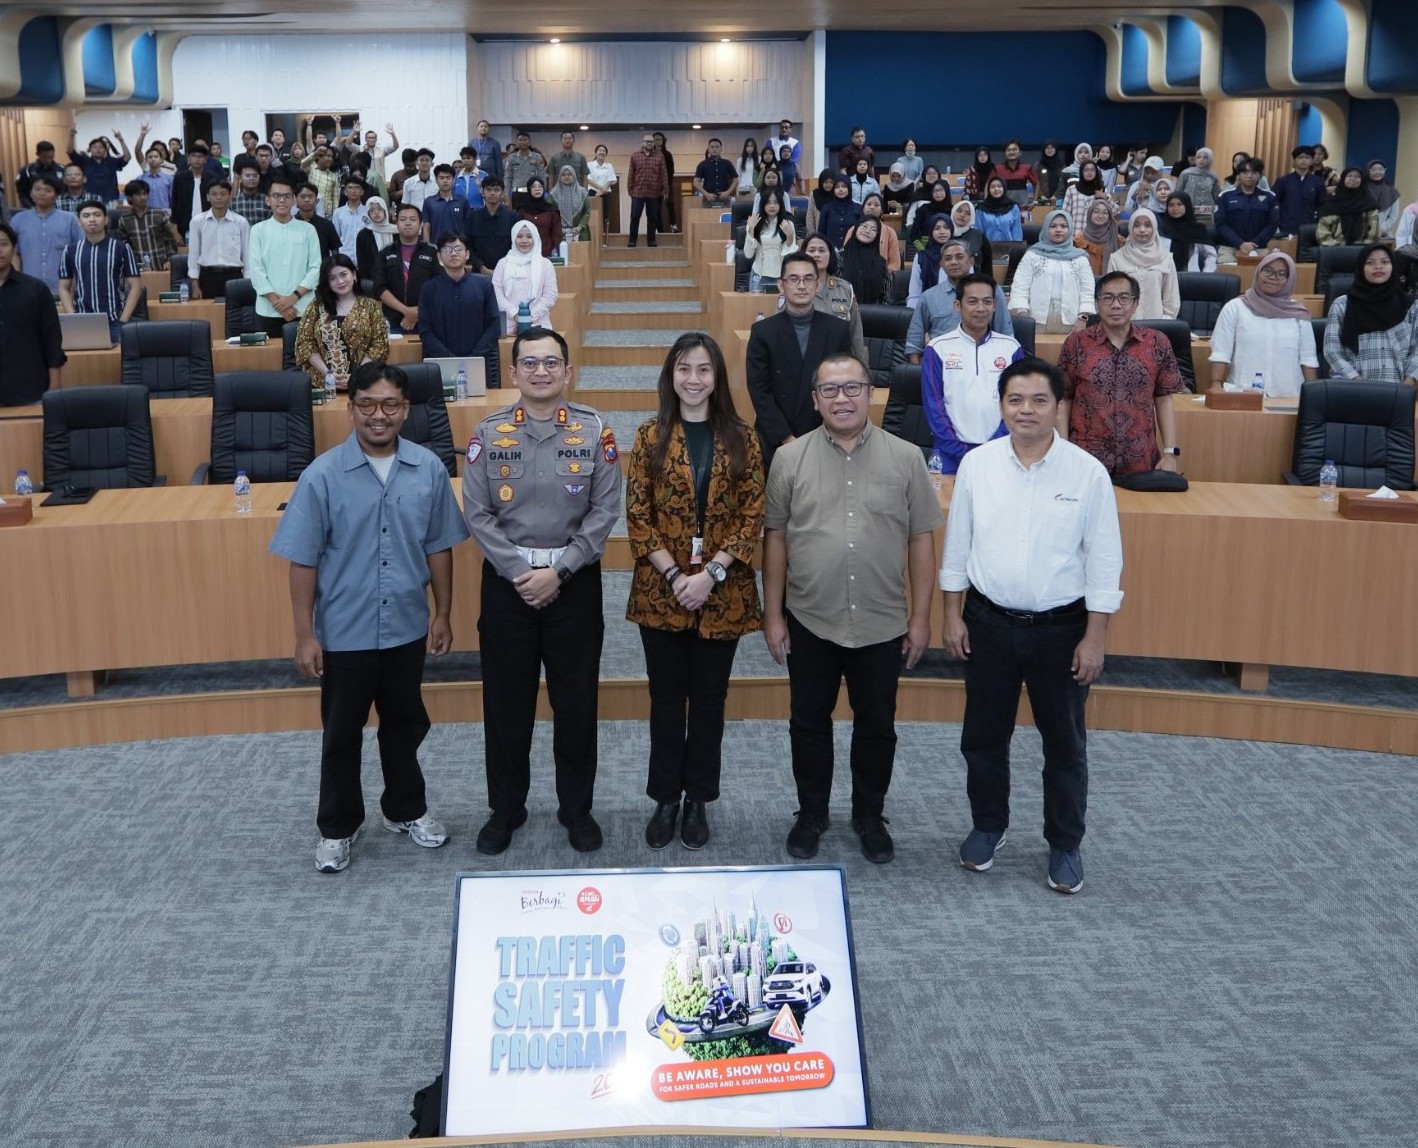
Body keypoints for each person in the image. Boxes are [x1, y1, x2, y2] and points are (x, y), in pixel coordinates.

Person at [268, 360, 466, 874]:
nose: (379, 416)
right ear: (350, 406)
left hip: (404, 624)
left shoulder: (427, 469)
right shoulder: (322, 476)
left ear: (405, 409)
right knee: (341, 734)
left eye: (390, 405)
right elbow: (303, 559)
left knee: (405, 725)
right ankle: (337, 826)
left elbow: (440, 548)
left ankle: (406, 809)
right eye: (367, 404)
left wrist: (442, 613)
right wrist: (304, 634)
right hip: (345, 630)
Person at [940, 357, 1123, 895]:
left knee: (1064, 746)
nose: (1026, 410)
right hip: (988, 623)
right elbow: (958, 548)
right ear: (1002, 406)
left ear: (1059, 407)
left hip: (1061, 631)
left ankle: (1065, 843)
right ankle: (988, 826)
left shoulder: (1087, 473)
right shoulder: (977, 465)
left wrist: (1096, 635)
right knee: (982, 738)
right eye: (1016, 400)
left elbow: (1104, 562)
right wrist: (952, 614)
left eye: (1039, 400)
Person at [763, 353, 943, 864]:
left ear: (870, 394)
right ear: (815, 400)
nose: (842, 399)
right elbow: (775, 538)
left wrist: (921, 616)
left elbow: (921, 541)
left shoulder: (906, 458)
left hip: (883, 621)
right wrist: (772, 614)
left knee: (877, 725)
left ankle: (869, 814)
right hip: (810, 617)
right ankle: (811, 813)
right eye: (830, 391)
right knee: (808, 722)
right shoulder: (789, 459)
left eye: (852, 388)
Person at [461, 327, 621, 854]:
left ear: (568, 372)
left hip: (573, 585)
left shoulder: (595, 431)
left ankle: (577, 810)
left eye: (551, 363)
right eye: (529, 363)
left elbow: (603, 511)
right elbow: (478, 513)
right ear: (513, 373)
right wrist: (519, 571)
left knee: (576, 705)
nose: (541, 372)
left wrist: (562, 569)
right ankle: (505, 809)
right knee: (506, 706)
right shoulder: (488, 433)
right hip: (509, 587)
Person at [625, 333, 765, 850]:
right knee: (665, 700)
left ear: (717, 378)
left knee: (709, 702)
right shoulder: (648, 435)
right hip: (661, 594)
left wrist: (712, 575)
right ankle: (665, 797)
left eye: (703, 370)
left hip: (722, 594)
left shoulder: (742, 437)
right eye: (684, 369)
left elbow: (753, 516)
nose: (693, 379)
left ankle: (698, 799)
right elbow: (638, 517)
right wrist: (676, 577)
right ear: (671, 376)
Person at [1058, 271, 1185, 478]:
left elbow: (1164, 399)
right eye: (1107, 298)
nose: (1116, 305)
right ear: (1097, 304)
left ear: (1135, 304)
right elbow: (1064, 398)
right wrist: (1062, 450)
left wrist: (1170, 453)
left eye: (1124, 298)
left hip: (1140, 460)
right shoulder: (1077, 343)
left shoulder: (1157, 343)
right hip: (1085, 460)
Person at [745, 250, 856, 472]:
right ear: (781, 285)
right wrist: (787, 439)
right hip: (776, 438)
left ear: (817, 285)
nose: (801, 285)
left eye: (808, 279)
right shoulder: (763, 332)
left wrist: (828, 433)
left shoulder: (838, 330)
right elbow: (759, 391)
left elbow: (843, 385)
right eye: (793, 279)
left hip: (826, 437)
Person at [920, 272, 1027, 470]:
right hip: (950, 453)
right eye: (972, 301)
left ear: (995, 305)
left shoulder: (1011, 348)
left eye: (987, 302)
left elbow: (1018, 402)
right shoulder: (937, 348)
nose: (980, 309)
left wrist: (994, 447)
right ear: (957, 306)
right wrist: (959, 451)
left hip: (1002, 450)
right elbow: (934, 405)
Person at [1208, 250, 1318, 396]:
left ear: (1289, 279)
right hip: (1243, 394)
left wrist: (1313, 396)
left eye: (1281, 273)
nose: (1273, 277)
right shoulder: (1235, 308)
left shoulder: (1298, 314)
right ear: (1258, 272)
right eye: (1268, 271)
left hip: (1289, 396)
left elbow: (1308, 359)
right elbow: (1221, 352)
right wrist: (1216, 384)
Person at [1323, 244, 1418, 386]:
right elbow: (1332, 351)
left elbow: (1416, 350)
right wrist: (1357, 382)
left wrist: (1408, 384)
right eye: (1370, 262)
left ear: (1393, 267)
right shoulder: (1342, 305)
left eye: (1385, 262)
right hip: (1351, 389)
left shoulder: (1411, 306)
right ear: (1361, 268)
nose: (1378, 267)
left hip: (1399, 391)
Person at [905, 240, 1014, 360]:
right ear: (941, 264)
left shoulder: (992, 291)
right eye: (948, 259)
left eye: (959, 257)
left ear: (971, 261)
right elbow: (914, 341)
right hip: (941, 363)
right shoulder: (929, 296)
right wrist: (916, 373)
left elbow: (1006, 336)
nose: (953, 262)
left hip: (984, 361)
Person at [295, 255, 390, 392]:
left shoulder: (371, 306)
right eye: (332, 278)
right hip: (323, 385)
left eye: (343, 274)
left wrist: (356, 376)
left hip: (363, 384)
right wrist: (328, 374)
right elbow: (305, 343)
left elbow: (379, 345)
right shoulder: (316, 306)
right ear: (326, 282)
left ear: (354, 274)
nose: (340, 281)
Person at [418, 232, 501, 380]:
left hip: (479, 363)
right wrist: (448, 358)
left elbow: (493, 326)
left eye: (458, 249)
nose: (453, 254)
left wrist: (474, 356)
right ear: (439, 256)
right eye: (448, 250)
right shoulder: (429, 289)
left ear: (467, 254)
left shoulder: (484, 286)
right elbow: (425, 330)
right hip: (440, 364)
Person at [0, 222, 65, 406]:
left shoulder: (35, 290)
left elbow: (51, 341)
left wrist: (55, 386)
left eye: (3, 244)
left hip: (31, 391)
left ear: (14, 249)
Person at [248, 178, 322, 338]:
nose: (281, 200)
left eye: (287, 196)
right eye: (276, 196)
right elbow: (256, 270)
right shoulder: (257, 230)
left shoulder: (308, 230)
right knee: (269, 360)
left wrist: (293, 298)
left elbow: (316, 268)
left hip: (302, 307)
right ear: (268, 200)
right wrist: (278, 303)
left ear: (294, 200)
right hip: (268, 309)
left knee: (305, 359)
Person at [58, 201, 140, 345]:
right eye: (86, 215)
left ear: (106, 219)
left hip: (115, 319)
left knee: (119, 364)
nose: (91, 219)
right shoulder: (70, 250)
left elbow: (135, 286)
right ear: (79, 221)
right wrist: (72, 316)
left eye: (97, 215)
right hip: (82, 320)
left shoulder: (121, 248)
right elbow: (64, 287)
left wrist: (123, 320)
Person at [1009, 209, 1096, 333]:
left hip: (1071, 317)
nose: (1058, 229)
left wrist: (1083, 317)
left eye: (1063, 226)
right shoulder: (1032, 255)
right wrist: (1023, 314)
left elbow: (1087, 289)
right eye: (1053, 226)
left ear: (1070, 229)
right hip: (1035, 316)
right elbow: (1020, 285)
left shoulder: (1080, 257)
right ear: (1045, 229)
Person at [801, 231, 868, 366]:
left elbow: (856, 336)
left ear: (830, 256)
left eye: (822, 250)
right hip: (803, 364)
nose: (816, 254)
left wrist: (863, 372)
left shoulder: (845, 289)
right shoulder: (792, 289)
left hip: (839, 365)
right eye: (811, 250)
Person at [370, 202, 439, 332]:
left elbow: (439, 285)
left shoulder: (432, 252)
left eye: (413, 219)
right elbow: (379, 287)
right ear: (397, 224)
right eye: (403, 219)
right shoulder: (385, 252)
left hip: (427, 318)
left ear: (420, 224)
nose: (407, 223)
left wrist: (418, 313)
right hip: (393, 320)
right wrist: (406, 311)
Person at [10, 175, 83, 293]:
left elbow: (79, 253)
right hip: (27, 287)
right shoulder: (18, 220)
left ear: (57, 195)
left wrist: (74, 281)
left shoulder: (70, 220)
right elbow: (14, 254)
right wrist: (16, 280)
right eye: (37, 189)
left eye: (48, 190)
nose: (42, 193)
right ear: (31, 193)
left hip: (62, 288)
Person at [1106, 207, 1180, 320]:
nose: (1142, 230)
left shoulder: (1166, 258)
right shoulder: (1116, 258)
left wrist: (1167, 320)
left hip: (1157, 323)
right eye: (1136, 225)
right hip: (1124, 324)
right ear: (1130, 228)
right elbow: (1110, 295)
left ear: (1154, 228)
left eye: (1147, 225)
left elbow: (1171, 295)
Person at [185, 180, 249, 300]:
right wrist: (194, 285)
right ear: (208, 197)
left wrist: (247, 282)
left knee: (234, 315)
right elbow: (193, 254)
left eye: (223, 194)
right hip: (207, 277)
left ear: (230, 196)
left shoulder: (241, 222)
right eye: (214, 194)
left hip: (234, 276)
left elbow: (247, 255)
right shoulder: (197, 221)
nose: (218, 197)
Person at [493, 220, 559, 334]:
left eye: (529, 236)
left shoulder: (545, 264)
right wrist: (515, 315)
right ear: (513, 238)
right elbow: (497, 295)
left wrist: (529, 317)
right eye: (519, 236)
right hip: (508, 326)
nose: (524, 241)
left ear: (535, 238)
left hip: (539, 324)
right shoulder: (502, 264)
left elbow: (550, 295)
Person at [1214, 158, 1279, 264]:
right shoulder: (1225, 196)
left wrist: (1253, 243)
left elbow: (1272, 224)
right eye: (1245, 172)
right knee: (1227, 278)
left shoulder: (1270, 197)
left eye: (1254, 172)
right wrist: (1241, 244)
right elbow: (1220, 224)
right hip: (1229, 249)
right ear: (1238, 175)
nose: (1249, 176)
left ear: (1260, 175)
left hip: (1259, 248)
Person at [116, 179, 181, 272]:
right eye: (138, 194)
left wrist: (170, 260)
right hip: (138, 269)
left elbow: (171, 242)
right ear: (129, 198)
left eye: (145, 194)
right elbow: (124, 246)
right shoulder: (124, 219)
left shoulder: (160, 214)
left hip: (162, 266)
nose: (143, 197)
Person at [743, 187, 798, 294]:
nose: (772, 206)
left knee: (781, 307)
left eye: (775, 203)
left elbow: (791, 253)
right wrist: (751, 230)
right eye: (768, 203)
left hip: (781, 274)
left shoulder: (788, 224)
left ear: (780, 205)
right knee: (756, 308)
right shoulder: (754, 223)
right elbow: (748, 255)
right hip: (759, 273)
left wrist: (789, 235)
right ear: (762, 205)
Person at [1272, 146, 1328, 237]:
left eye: (1307, 158)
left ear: (1312, 161)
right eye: (1300, 157)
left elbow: (1322, 204)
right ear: (1294, 160)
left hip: (1309, 227)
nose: (1304, 160)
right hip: (1286, 227)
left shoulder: (1318, 182)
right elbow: (1274, 202)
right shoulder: (1283, 181)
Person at [1317, 168, 1380, 247]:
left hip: (1363, 249)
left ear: (1362, 181)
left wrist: (1365, 247)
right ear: (1343, 179)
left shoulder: (1369, 203)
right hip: (1334, 250)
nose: (1353, 179)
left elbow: (1374, 229)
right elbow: (1323, 229)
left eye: (1358, 177)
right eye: (1350, 176)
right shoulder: (1331, 204)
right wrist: (1335, 247)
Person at [66, 128, 130, 205]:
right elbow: (70, 151)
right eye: (95, 147)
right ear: (90, 149)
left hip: (110, 200)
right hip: (89, 200)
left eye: (101, 147)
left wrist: (121, 140)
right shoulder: (84, 161)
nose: (98, 149)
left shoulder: (112, 161)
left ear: (105, 150)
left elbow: (127, 157)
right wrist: (71, 135)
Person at [467, 178, 518, 272]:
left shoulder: (513, 217)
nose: (492, 193)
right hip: (479, 272)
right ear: (482, 191)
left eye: (497, 190)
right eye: (488, 189)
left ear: (502, 193)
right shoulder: (472, 217)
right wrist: (481, 267)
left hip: (507, 271)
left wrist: (503, 268)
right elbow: (468, 246)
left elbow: (516, 246)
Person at [627, 133, 668, 248]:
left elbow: (663, 174)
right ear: (642, 143)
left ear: (654, 143)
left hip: (654, 193)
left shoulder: (660, 156)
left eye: (651, 141)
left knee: (653, 218)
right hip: (637, 192)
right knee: (635, 217)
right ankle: (632, 240)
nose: (649, 143)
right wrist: (630, 189)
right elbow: (631, 173)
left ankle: (651, 241)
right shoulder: (635, 155)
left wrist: (665, 190)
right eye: (647, 141)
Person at [1159, 191, 1217, 273]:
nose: (1175, 208)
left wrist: (1206, 274)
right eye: (1171, 205)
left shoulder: (1198, 229)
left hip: (1191, 278)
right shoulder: (1161, 229)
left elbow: (1211, 255)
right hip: (1165, 276)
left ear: (1187, 206)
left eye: (1179, 204)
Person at [844, 192, 902, 273]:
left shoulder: (890, 232)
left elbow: (894, 263)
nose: (872, 207)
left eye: (876, 205)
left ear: (882, 210)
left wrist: (883, 274)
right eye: (869, 204)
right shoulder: (853, 230)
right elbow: (845, 255)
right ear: (863, 207)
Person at [838, 216, 888, 306]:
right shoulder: (840, 257)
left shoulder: (881, 262)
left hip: (873, 314)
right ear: (856, 228)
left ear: (877, 235)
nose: (868, 231)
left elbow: (885, 295)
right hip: (842, 311)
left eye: (873, 229)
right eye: (864, 226)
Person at [171, 145, 216, 240]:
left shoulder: (212, 178)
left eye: (200, 156)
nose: (197, 159)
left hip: (209, 224)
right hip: (185, 226)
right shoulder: (180, 178)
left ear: (205, 159)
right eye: (194, 156)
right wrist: (175, 231)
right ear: (189, 158)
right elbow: (175, 203)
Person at [513, 175, 564, 258]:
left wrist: (557, 251)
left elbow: (557, 234)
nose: (537, 189)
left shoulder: (551, 210)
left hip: (547, 253)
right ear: (529, 190)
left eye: (540, 186)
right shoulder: (522, 210)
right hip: (525, 253)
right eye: (533, 187)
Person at [293, 181, 342, 263]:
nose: (306, 200)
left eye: (310, 196)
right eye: (302, 196)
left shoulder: (327, 225)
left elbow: (335, 252)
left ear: (316, 200)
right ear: (296, 200)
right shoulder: (290, 224)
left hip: (322, 271)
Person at [355, 196, 397, 282]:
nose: (376, 213)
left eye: (379, 209)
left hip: (396, 277)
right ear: (368, 213)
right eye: (372, 210)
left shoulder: (396, 232)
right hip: (374, 279)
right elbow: (362, 261)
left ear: (385, 210)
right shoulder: (364, 234)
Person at [1063, 160, 1111, 234]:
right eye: (1086, 170)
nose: (1089, 172)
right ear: (1081, 172)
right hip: (1076, 235)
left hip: (1097, 236)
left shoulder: (1102, 190)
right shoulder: (1072, 190)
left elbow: (1114, 213)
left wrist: (1106, 198)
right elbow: (1065, 215)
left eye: (1092, 170)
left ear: (1096, 172)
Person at [330, 175, 371, 261]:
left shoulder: (368, 212)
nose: (353, 191)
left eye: (357, 188)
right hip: (345, 258)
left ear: (362, 191)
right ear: (345, 192)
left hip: (366, 258)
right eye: (350, 188)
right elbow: (335, 238)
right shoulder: (338, 213)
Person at [949, 200, 993, 276]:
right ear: (953, 211)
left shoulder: (978, 235)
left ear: (972, 216)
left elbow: (987, 266)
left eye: (968, 213)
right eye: (959, 211)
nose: (962, 215)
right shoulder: (944, 234)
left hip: (975, 281)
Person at [15, 141, 63, 209]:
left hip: (59, 207)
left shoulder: (62, 169)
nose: (48, 160)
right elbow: (22, 192)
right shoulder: (27, 170)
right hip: (33, 208)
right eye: (45, 158)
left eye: (51, 157)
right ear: (37, 154)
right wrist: (29, 207)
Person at [1175, 147, 1222, 217]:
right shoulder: (1186, 173)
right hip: (1188, 210)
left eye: (1205, 158)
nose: (1201, 160)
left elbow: (1217, 196)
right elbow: (1178, 192)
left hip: (1207, 212)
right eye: (1199, 157)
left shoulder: (1213, 176)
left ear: (1210, 159)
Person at [976, 177, 1023, 243]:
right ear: (988, 190)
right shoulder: (981, 208)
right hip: (988, 249)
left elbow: (1017, 233)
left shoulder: (1013, 207)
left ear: (1004, 188)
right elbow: (979, 234)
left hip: (1009, 249)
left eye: (999, 186)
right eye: (992, 187)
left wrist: (1016, 251)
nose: (996, 189)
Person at [547, 165, 589, 239]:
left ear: (574, 175)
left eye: (569, 174)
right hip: (558, 232)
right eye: (563, 175)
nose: (566, 177)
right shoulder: (553, 193)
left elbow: (587, 211)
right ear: (559, 176)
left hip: (579, 232)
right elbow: (548, 212)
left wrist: (579, 227)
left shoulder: (582, 192)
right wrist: (557, 227)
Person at [693, 138, 737, 208]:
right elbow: (696, 182)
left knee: (725, 218)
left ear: (721, 149)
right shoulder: (702, 164)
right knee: (707, 219)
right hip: (708, 199)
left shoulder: (727, 163)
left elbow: (735, 179)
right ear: (708, 149)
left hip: (725, 198)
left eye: (717, 147)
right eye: (712, 147)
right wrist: (706, 194)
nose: (714, 149)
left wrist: (728, 192)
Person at [229, 158, 272, 226]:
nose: (251, 178)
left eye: (255, 176)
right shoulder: (232, 203)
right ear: (240, 179)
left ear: (259, 178)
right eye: (247, 175)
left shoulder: (267, 201)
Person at [1365, 160, 1402, 237]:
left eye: (1381, 169)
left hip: (1384, 234)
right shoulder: (1362, 190)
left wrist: (1381, 229)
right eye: (1374, 169)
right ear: (1368, 171)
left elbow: (1394, 216)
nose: (1377, 172)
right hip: (1363, 233)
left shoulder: (1392, 192)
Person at [503, 131, 548, 196]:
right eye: (520, 140)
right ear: (517, 142)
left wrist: (542, 192)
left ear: (529, 142)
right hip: (516, 193)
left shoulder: (537, 157)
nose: (523, 142)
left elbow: (542, 176)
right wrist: (506, 195)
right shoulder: (511, 158)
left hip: (532, 193)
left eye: (525, 140)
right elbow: (507, 178)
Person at [993, 139, 1036, 205]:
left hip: (1023, 207)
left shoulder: (1027, 167)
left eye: (1014, 149)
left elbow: (1036, 183)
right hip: (1003, 207)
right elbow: (989, 184)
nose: (1011, 152)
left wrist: (1035, 200)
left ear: (1020, 152)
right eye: (1009, 150)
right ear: (1005, 153)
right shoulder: (998, 168)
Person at [805, 170, 836, 235]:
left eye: (831, 182)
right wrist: (813, 236)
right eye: (826, 182)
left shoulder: (837, 194)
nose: (829, 184)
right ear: (821, 182)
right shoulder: (814, 194)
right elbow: (810, 216)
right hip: (816, 234)